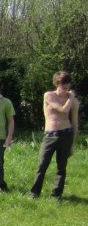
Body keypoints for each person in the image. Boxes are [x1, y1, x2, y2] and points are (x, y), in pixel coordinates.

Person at [30, 71, 80, 199]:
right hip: (50, 135)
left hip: (66, 134)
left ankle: (57, 194)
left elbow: (74, 123)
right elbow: (63, 110)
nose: (66, 86)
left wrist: (73, 144)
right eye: (63, 83)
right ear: (57, 83)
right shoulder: (49, 95)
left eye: (67, 83)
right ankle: (34, 192)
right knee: (42, 164)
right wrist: (71, 98)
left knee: (61, 167)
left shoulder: (73, 101)